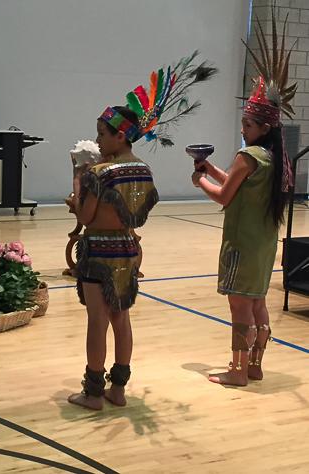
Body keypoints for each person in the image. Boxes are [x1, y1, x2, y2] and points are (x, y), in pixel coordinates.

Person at [67, 57, 216, 409]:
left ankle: (92, 393)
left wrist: (77, 194)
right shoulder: (143, 169)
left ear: (121, 135)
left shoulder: (98, 172)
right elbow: (139, 212)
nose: (99, 141)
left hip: (99, 252)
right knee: (122, 318)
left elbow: (87, 218)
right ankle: (117, 390)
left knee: (97, 321)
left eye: (103, 134)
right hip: (128, 249)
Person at [191, 11, 296, 386]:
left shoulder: (247, 156)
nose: (243, 128)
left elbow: (224, 195)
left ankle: (237, 371)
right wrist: (210, 169)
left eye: (247, 125)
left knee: (240, 306)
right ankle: (255, 365)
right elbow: (237, 182)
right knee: (257, 302)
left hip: (242, 243)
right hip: (264, 242)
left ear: (264, 127)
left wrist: (200, 181)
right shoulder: (272, 157)